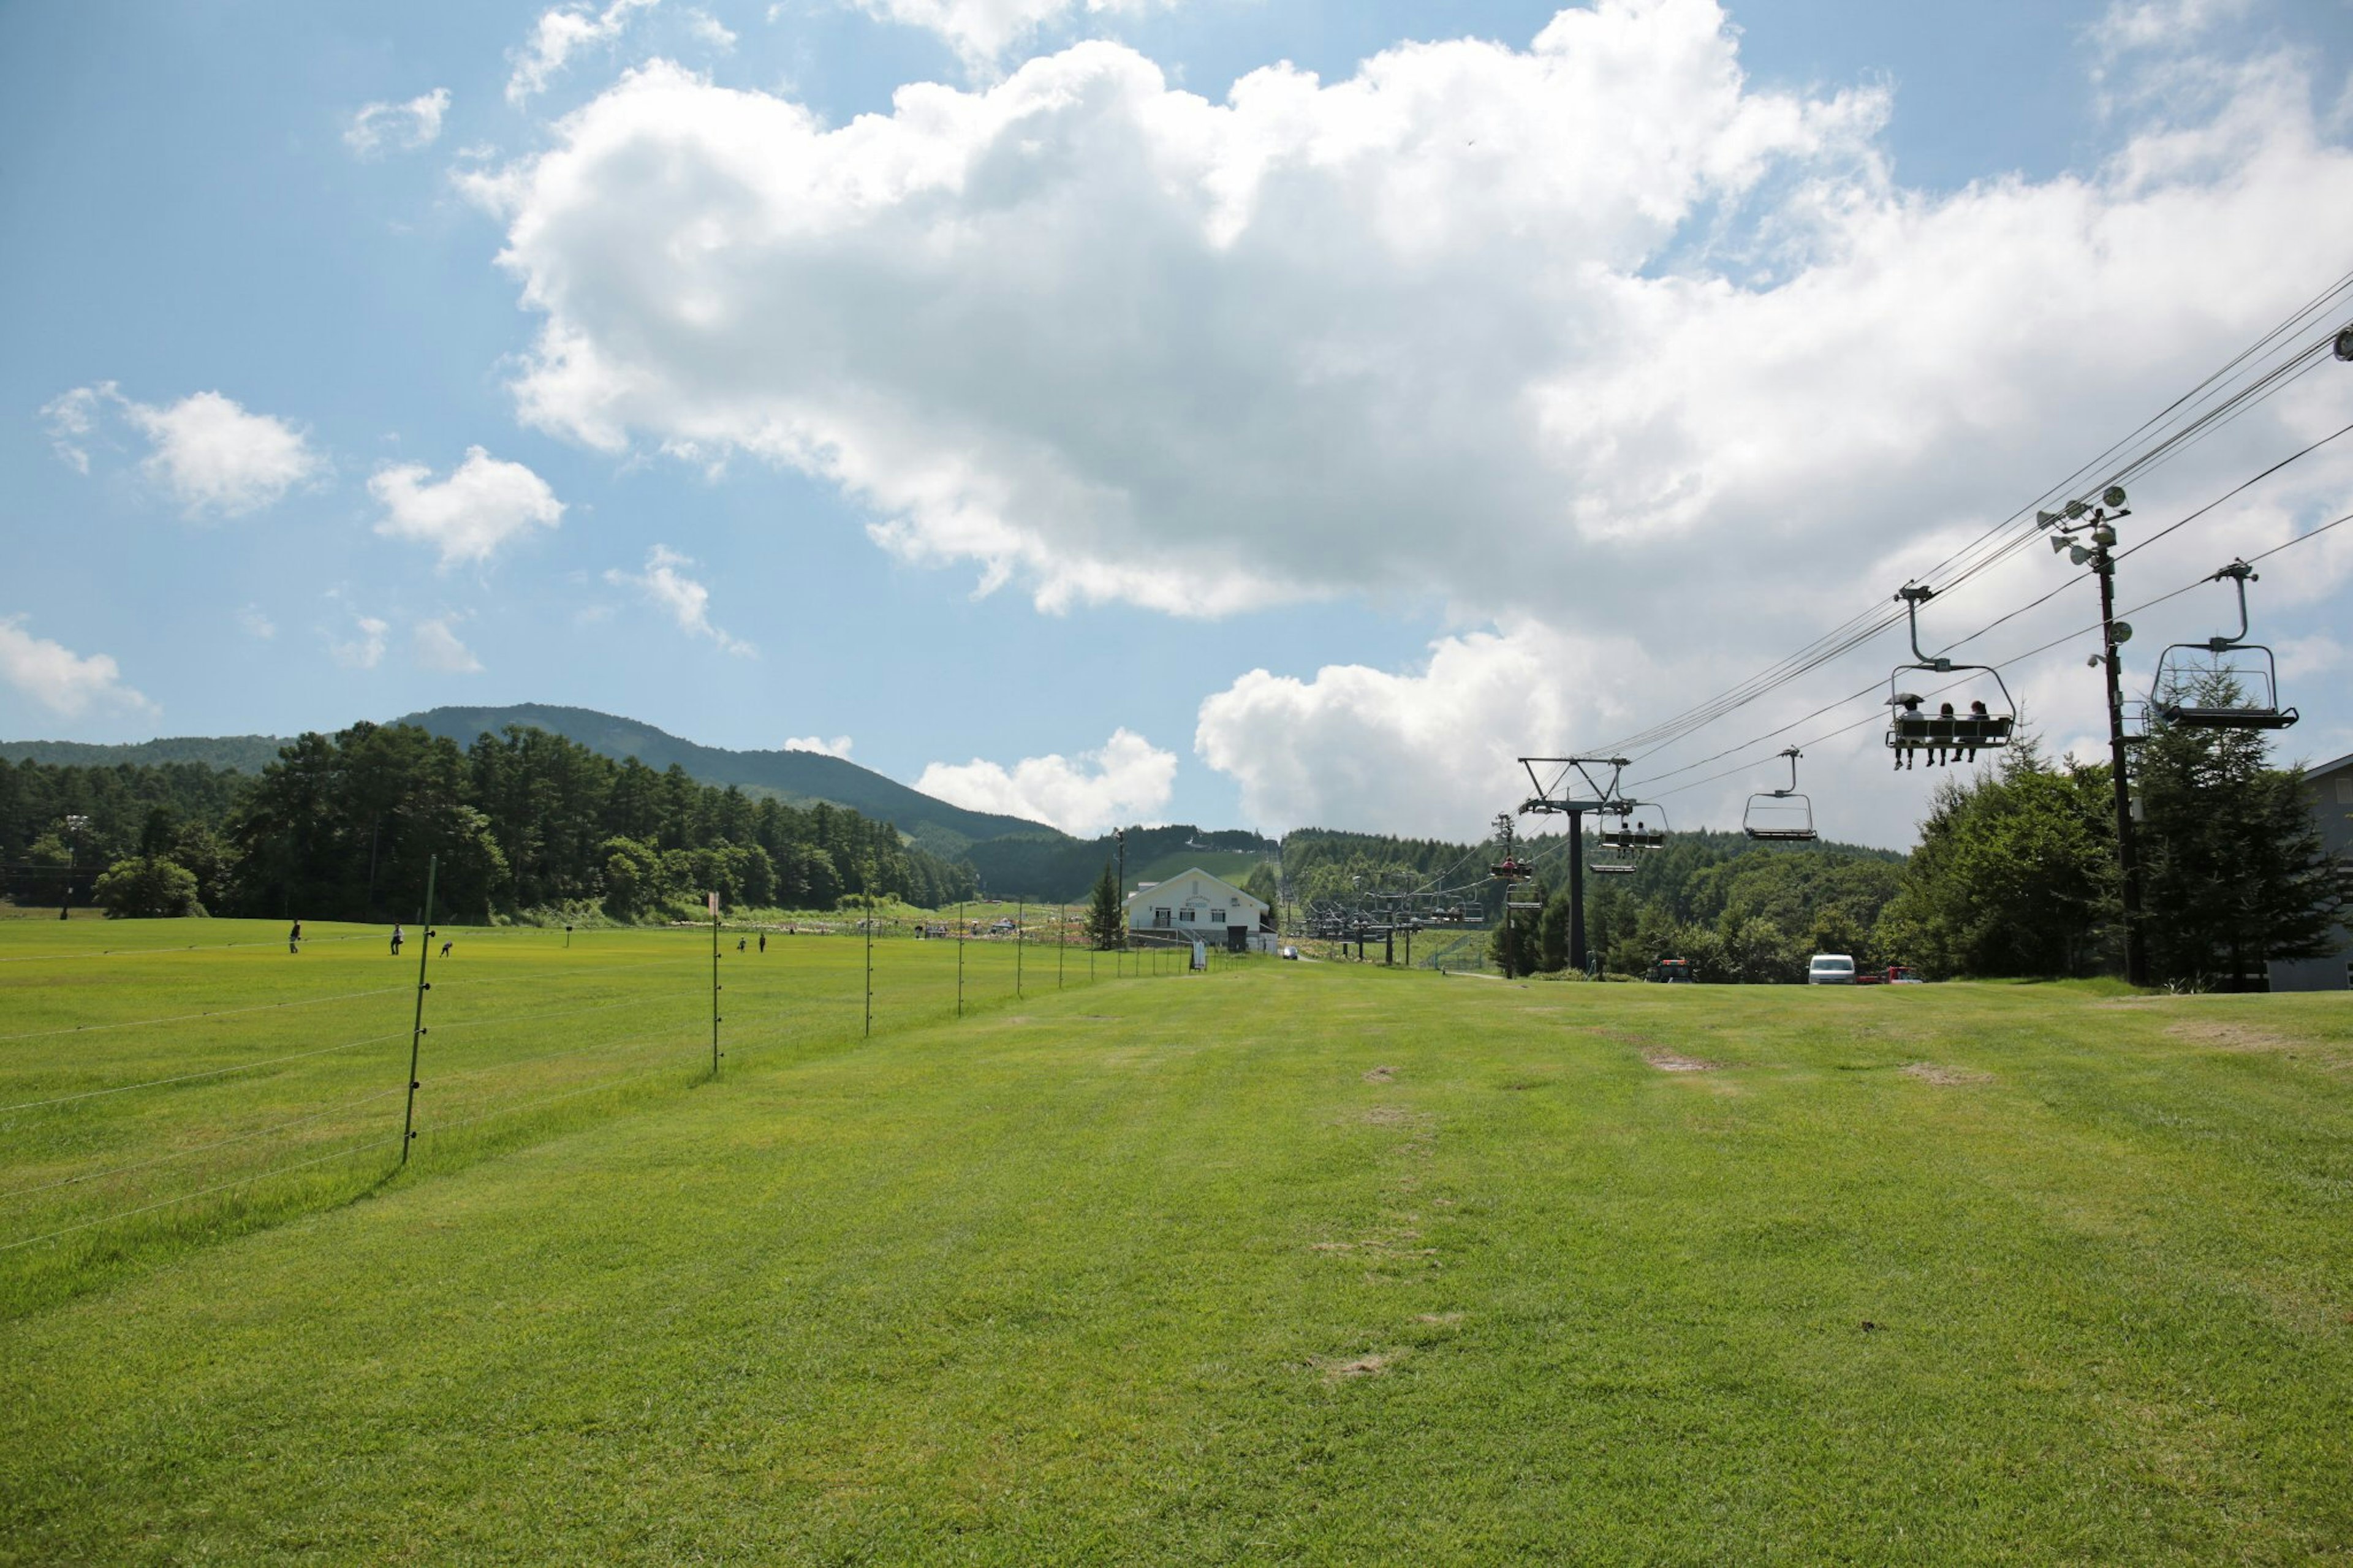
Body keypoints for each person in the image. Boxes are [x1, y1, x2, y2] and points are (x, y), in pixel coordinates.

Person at [1963, 699, 1990, 763]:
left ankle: (1958, 755)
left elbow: (1967, 723)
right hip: (1982, 739)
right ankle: (1971, 756)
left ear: (1975, 708)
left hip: (1972, 738)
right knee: (1974, 737)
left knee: (1964, 738)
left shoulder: (1973, 716)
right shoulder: (1986, 717)